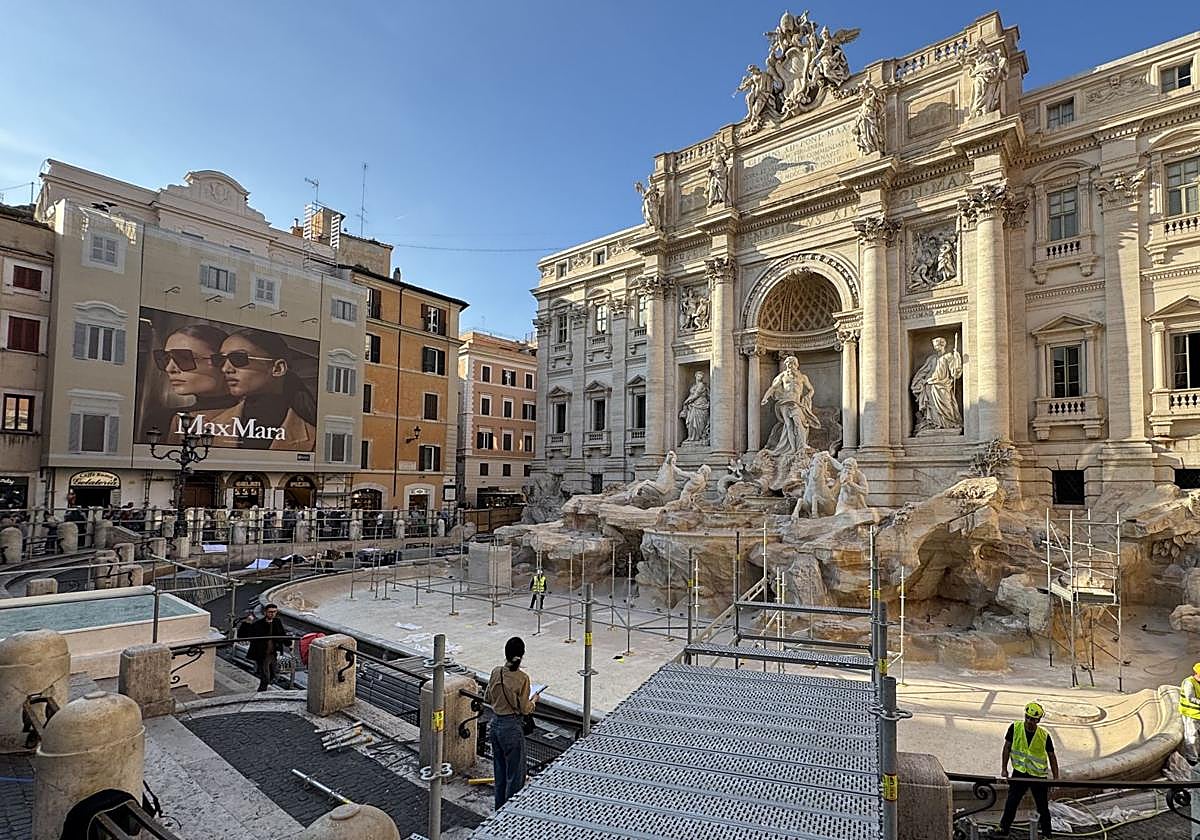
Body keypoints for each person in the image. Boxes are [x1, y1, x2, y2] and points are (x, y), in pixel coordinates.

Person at [217, 329, 317, 451]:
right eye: (220, 360)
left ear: (278, 368)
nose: (225, 368)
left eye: (238, 358)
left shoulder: (315, 437)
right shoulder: (210, 426)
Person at [148, 324, 239, 443]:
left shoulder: (253, 416)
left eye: (184, 358)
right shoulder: (161, 420)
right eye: (165, 358)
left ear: (221, 361)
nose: (169, 368)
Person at [484, 636, 542, 810]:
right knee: (515, 775)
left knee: (500, 772)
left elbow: (487, 697)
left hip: (495, 725)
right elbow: (525, 709)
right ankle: (510, 814)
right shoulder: (522, 678)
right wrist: (534, 700)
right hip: (511, 728)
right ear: (522, 655)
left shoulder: (496, 672)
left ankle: (498, 811)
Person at [998, 701, 1059, 838]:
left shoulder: (1044, 735)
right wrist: (1004, 769)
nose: (1029, 721)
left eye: (1033, 719)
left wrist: (1056, 778)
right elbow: (1007, 747)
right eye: (1027, 717)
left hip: (1038, 776)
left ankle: (1047, 834)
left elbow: (1052, 757)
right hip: (1019, 772)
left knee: (1042, 807)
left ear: (1038, 720)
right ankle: (1003, 829)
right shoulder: (1015, 728)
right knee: (1011, 803)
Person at [761, 355, 821, 455]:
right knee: (788, 425)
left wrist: (808, 396)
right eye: (788, 364)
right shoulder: (783, 376)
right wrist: (765, 397)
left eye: (792, 363)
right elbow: (773, 388)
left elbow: (811, 389)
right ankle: (793, 448)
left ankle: (802, 444)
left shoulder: (802, 377)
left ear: (796, 365)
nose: (790, 366)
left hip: (796, 402)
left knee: (798, 422)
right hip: (784, 402)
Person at [241, 604, 291, 692]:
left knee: (273, 674)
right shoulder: (258, 624)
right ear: (265, 612)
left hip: (273, 653)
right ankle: (261, 692)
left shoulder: (277, 622)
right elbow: (244, 635)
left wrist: (288, 643)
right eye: (270, 612)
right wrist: (246, 623)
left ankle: (263, 689)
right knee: (265, 677)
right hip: (262, 654)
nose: (273, 614)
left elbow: (282, 634)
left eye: (275, 612)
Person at [1179, 662, 1200, 764]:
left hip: (1198, 714)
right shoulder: (1189, 682)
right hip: (1191, 714)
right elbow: (1190, 698)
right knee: (1192, 736)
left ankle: (1197, 755)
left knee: (1197, 737)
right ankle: (1192, 759)